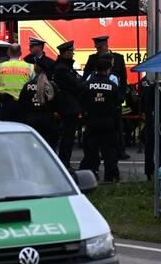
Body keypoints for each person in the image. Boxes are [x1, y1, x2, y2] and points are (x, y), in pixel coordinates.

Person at [82, 35, 129, 158]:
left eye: (100, 47)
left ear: (106, 46)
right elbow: (86, 77)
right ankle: (97, 152)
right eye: (97, 48)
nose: (98, 50)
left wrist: (122, 95)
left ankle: (120, 150)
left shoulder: (118, 58)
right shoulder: (93, 59)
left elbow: (123, 79)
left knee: (117, 124)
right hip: (96, 99)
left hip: (114, 97)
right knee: (98, 127)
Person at [79, 54, 122, 182]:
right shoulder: (112, 85)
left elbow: (81, 101)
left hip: (91, 123)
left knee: (91, 152)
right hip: (108, 123)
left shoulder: (87, 85)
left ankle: (91, 176)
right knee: (109, 152)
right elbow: (118, 102)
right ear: (108, 70)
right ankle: (110, 177)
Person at [51, 41, 86, 169]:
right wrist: (82, 83)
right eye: (71, 51)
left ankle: (64, 162)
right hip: (67, 107)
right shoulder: (62, 69)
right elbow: (76, 84)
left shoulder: (64, 67)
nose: (73, 53)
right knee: (67, 138)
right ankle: (64, 163)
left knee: (68, 137)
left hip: (68, 106)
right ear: (66, 53)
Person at [19, 61, 59, 149]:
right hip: (48, 119)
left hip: (31, 119)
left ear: (35, 70)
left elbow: (22, 102)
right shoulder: (51, 85)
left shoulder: (28, 85)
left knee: (31, 147)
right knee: (48, 147)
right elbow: (57, 103)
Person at [0, 43, 33, 120]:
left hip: (6, 103)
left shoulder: (0, 66)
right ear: (20, 53)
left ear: (8, 52)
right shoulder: (29, 67)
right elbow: (34, 86)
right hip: (24, 105)